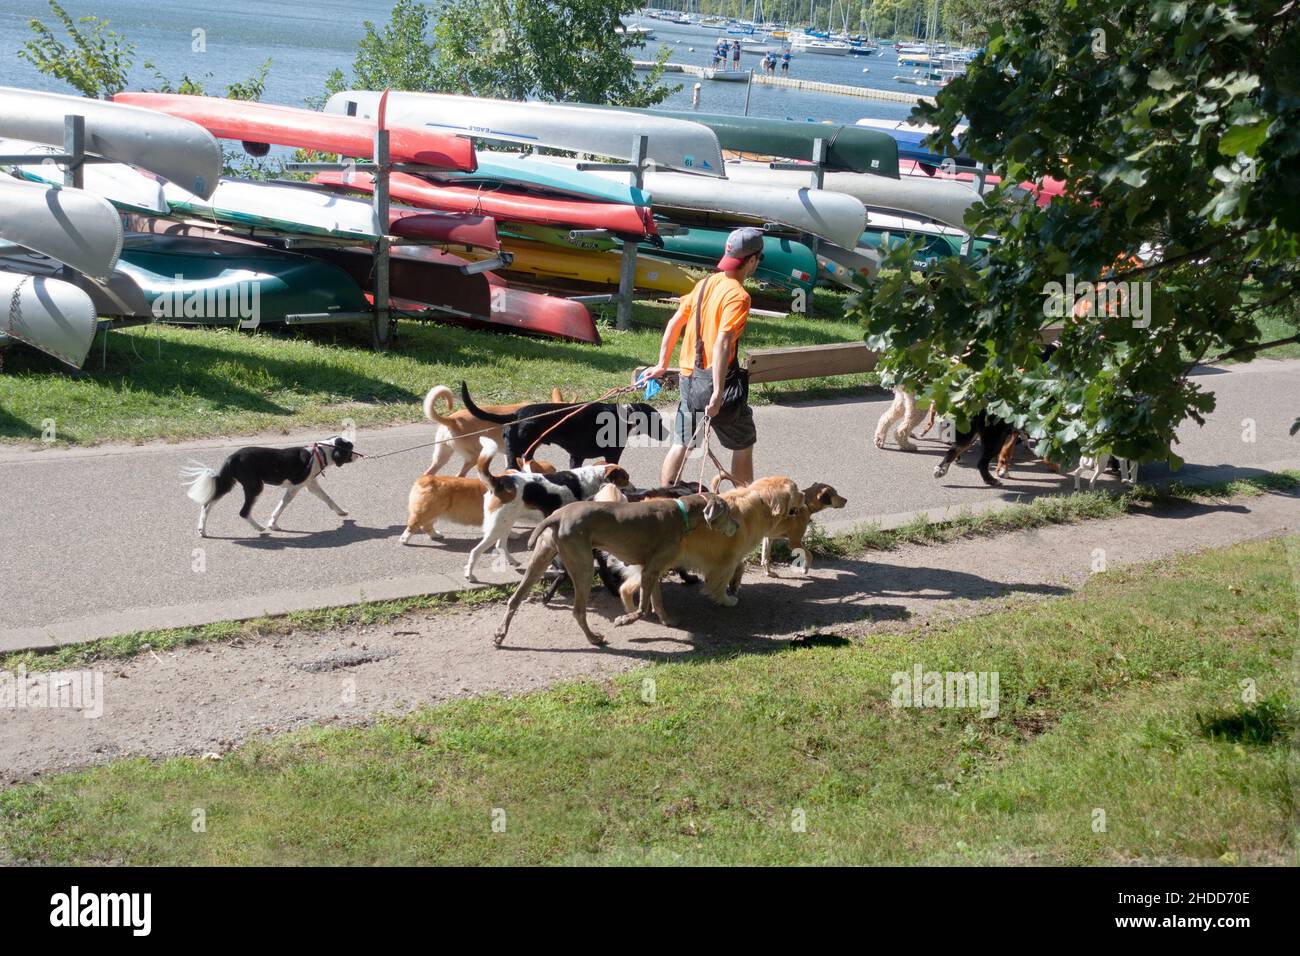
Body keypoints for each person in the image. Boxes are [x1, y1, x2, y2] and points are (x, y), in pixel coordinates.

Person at [644, 227, 764, 487]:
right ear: (752, 260)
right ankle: (743, 505)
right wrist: (718, 392)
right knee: (743, 442)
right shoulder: (738, 296)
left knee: (682, 444)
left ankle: (665, 501)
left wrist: (662, 364)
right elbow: (722, 342)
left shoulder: (705, 284)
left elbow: (675, 322)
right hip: (714, 383)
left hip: (688, 377)